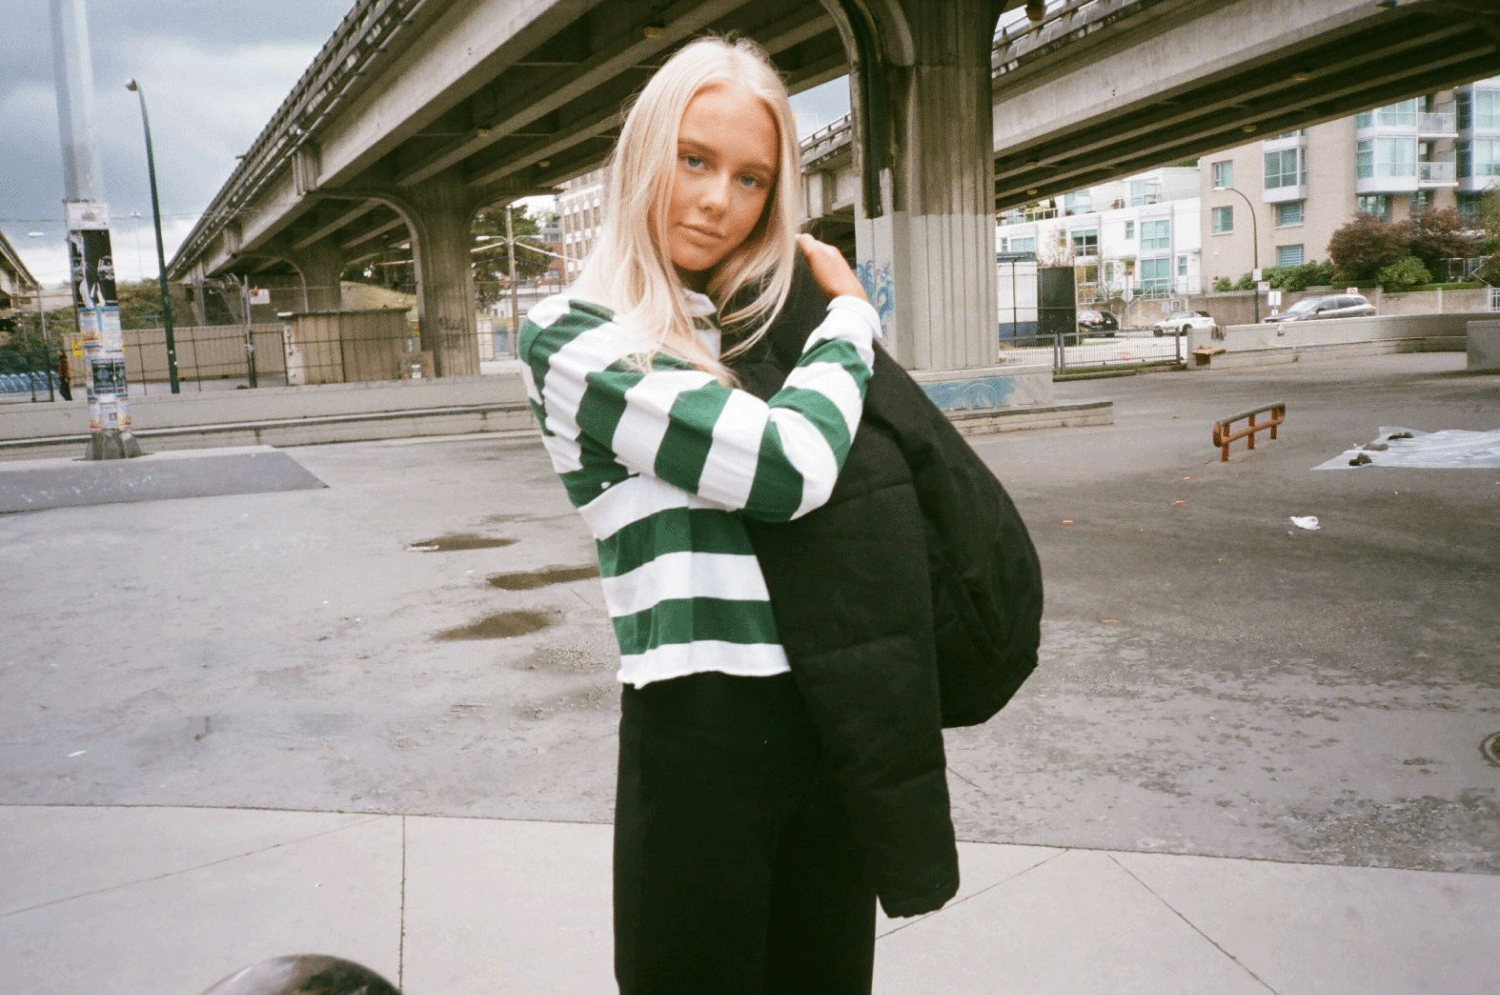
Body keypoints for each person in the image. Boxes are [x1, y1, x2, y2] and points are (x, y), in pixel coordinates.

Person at [517, 35, 887, 995]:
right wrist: (851, 318)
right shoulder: (573, 337)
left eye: (752, 178)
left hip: (826, 712)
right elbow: (789, 466)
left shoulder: (753, 326)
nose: (719, 198)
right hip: (699, 723)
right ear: (645, 151)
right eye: (694, 159)